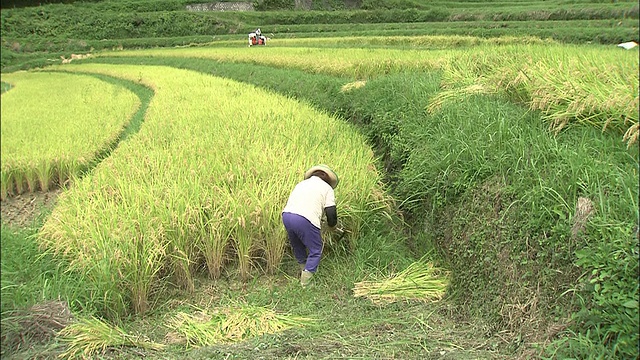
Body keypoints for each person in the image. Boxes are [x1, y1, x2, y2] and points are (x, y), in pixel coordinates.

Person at [282, 165, 339, 286]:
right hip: (305, 219)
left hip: (287, 215)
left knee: (297, 244)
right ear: (328, 179)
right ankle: (306, 283)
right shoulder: (327, 188)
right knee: (315, 250)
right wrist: (332, 225)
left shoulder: (301, 184)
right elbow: (331, 212)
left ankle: (302, 268)